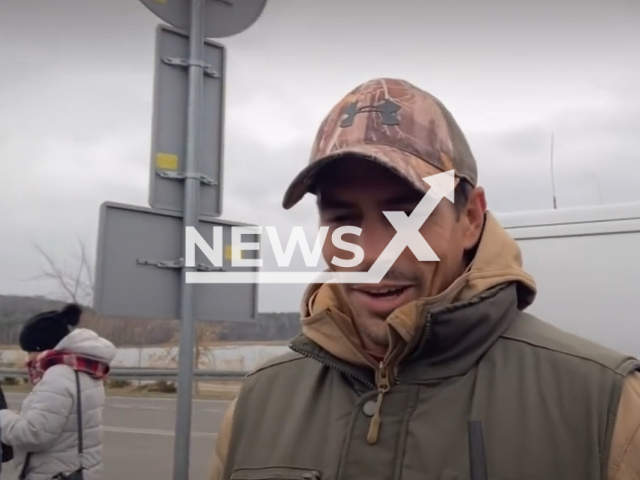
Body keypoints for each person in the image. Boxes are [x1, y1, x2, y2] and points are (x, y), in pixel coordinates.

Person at [208, 78, 640, 480]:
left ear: (470, 218)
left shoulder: (605, 407)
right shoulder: (260, 403)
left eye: (408, 216)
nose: (372, 253)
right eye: (343, 218)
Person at [0, 303, 116, 480]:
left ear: (41, 348)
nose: (27, 359)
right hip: (80, 470)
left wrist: (3, 417)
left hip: (55, 473)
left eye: (29, 351)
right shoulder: (84, 370)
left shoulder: (58, 376)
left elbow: (34, 434)